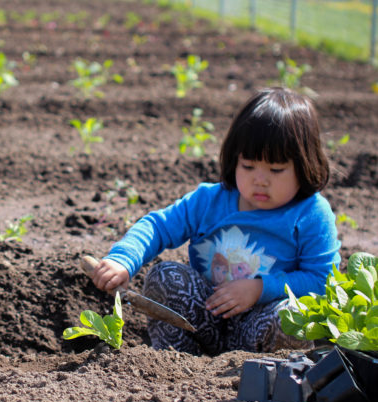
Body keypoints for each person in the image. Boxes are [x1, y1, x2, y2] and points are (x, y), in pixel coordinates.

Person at [89, 87, 341, 355]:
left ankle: (271, 376)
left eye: (276, 170)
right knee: (164, 277)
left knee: (294, 315)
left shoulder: (311, 212)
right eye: (248, 166)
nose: (260, 180)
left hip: (262, 328)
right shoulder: (210, 200)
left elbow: (323, 280)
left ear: (305, 165)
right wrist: (123, 260)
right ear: (234, 160)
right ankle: (175, 361)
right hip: (203, 321)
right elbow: (158, 227)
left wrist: (260, 288)